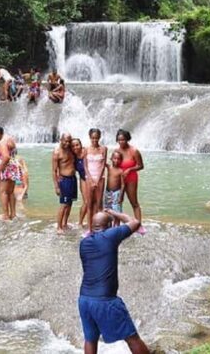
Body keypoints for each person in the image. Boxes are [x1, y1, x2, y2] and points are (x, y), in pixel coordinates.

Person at [78, 209, 148, 354]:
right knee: (132, 337)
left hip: (84, 300)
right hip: (105, 300)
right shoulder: (110, 236)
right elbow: (135, 222)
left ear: (92, 226)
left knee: (90, 339)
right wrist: (114, 212)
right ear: (109, 225)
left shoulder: (84, 243)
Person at [115, 129, 145, 234]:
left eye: (123, 140)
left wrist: (130, 169)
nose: (121, 142)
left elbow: (141, 166)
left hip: (131, 178)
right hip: (119, 179)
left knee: (134, 202)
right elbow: (114, 166)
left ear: (127, 139)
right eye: (119, 140)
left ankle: (139, 225)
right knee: (118, 202)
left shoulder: (134, 151)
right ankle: (117, 226)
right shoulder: (117, 151)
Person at [0, 125, 20, 220]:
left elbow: (6, 157)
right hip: (14, 167)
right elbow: (14, 154)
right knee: (11, 192)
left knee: (3, 192)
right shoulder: (10, 139)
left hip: (5, 168)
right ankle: (13, 214)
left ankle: (5, 215)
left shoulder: (2, 142)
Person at [81, 129, 108, 234]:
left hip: (100, 178)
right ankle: (90, 228)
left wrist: (98, 179)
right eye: (93, 138)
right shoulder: (86, 149)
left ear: (99, 137)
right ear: (89, 137)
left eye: (96, 138)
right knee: (89, 204)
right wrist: (91, 179)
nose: (94, 140)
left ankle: (99, 227)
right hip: (89, 178)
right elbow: (85, 165)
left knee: (99, 203)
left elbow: (103, 165)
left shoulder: (104, 149)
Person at [52, 132, 77, 235]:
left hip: (73, 179)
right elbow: (54, 171)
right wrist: (57, 186)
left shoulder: (71, 149)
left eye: (69, 141)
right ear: (61, 140)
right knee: (64, 204)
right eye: (65, 141)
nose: (67, 143)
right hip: (64, 180)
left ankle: (65, 223)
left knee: (70, 203)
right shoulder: (57, 152)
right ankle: (59, 226)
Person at [104, 151, 125, 224]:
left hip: (116, 193)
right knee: (107, 209)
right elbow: (102, 161)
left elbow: (123, 184)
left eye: (118, 159)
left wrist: (121, 196)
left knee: (116, 210)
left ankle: (117, 226)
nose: (116, 160)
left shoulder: (121, 171)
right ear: (111, 158)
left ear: (121, 160)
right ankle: (109, 225)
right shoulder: (109, 167)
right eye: (114, 158)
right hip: (108, 192)